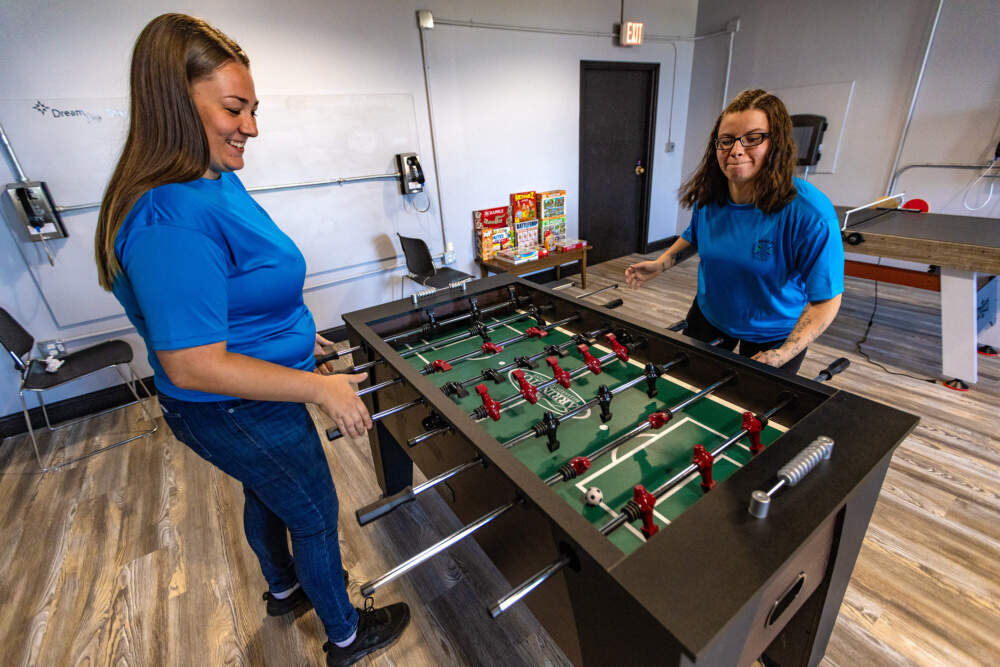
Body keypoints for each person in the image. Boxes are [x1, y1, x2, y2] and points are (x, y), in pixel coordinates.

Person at [94, 14, 409, 666]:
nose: (252, 127)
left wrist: (297, 344)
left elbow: (236, 300)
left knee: (267, 490)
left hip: (245, 400)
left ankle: (282, 586)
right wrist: (317, 387)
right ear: (175, 103)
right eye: (235, 109)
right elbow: (194, 362)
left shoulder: (211, 178)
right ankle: (348, 635)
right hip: (235, 407)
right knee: (316, 514)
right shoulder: (167, 217)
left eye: (253, 108)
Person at [625, 89, 844, 375]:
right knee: (688, 386)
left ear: (776, 144)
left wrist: (782, 355)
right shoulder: (712, 195)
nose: (736, 150)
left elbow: (826, 301)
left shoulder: (810, 213)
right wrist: (661, 263)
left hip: (774, 335)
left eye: (753, 139)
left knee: (752, 410)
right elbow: (697, 234)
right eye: (726, 140)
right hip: (710, 315)